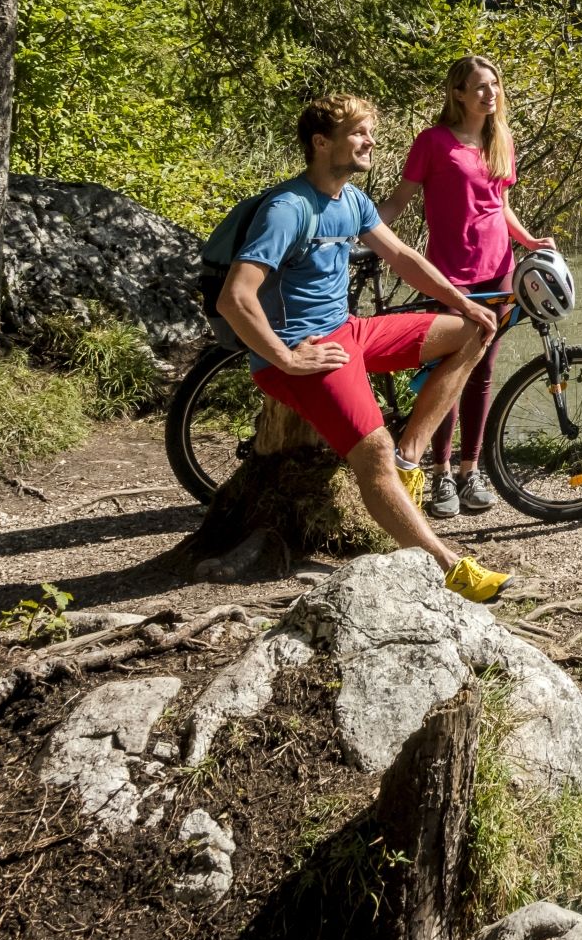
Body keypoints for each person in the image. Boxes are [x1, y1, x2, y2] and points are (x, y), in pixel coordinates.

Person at [211, 92, 511, 601]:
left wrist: (464, 303)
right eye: (358, 132)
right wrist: (286, 357)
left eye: (369, 131)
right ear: (321, 143)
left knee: (474, 332)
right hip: (303, 354)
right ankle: (449, 568)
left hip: (348, 331)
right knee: (371, 451)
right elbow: (233, 297)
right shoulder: (287, 209)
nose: (370, 140)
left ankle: (410, 458)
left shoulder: (352, 201)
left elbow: (404, 258)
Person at [382, 55, 551, 519]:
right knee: (448, 374)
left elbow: (501, 206)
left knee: (480, 374)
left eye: (494, 84)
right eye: (479, 86)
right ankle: (439, 473)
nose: (489, 93)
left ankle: (468, 470)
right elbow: (400, 200)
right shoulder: (433, 142)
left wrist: (528, 240)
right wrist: (361, 231)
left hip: (498, 272)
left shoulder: (501, 138)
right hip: (450, 276)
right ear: (458, 93)